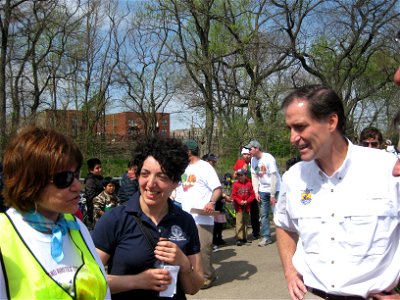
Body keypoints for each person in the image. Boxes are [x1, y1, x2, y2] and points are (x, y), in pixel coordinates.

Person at [274, 84, 400, 300]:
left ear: (331, 122)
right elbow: (284, 226)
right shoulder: (293, 179)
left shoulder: (388, 170)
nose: (293, 138)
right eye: (290, 129)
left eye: (300, 127)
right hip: (312, 295)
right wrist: (289, 270)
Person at [0, 125, 110, 299]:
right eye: (64, 178)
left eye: (76, 175)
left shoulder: (76, 226)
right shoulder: (3, 236)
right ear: (29, 182)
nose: (77, 186)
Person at [92, 136, 204, 299]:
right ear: (137, 175)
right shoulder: (114, 220)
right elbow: (91, 281)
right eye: (145, 174)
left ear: (175, 182)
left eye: (162, 176)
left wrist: (184, 264)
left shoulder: (185, 221)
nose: (151, 183)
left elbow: (194, 288)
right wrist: (138, 281)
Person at [174, 139, 222, 289]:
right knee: (187, 249)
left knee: (203, 249)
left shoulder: (205, 167)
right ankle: (193, 275)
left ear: (189, 151)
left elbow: (218, 189)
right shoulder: (183, 168)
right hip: (185, 216)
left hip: (202, 217)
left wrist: (211, 202)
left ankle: (208, 276)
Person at [246, 140, 281, 247]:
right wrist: (256, 191)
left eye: (250, 149)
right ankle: (266, 237)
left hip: (275, 189)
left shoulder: (268, 158)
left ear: (256, 148)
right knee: (264, 215)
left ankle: (284, 235)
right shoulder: (253, 160)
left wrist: (272, 194)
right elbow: (254, 176)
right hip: (262, 190)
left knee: (278, 213)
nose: (249, 151)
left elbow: (274, 176)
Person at [233, 147, 260, 239]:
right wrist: (242, 170)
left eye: (248, 154)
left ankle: (256, 232)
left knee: (254, 212)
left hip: (252, 190)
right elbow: (235, 175)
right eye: (245, 154)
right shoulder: (239, 162)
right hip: (242, 192)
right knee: (241, 215)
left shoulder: (254, 161)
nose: (247, 156)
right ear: (242, 155)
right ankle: (241, 235)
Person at [231, 168, 255, 246]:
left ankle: (245, 237)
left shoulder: (249, 184)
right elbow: (234, 195)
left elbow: (252, 195)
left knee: (245, 222)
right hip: (239, 207)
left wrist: (247, 201)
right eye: (238, 175)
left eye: (241, 175)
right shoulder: (236, 184)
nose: (240, 177)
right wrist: (239, 201)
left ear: (245, 175)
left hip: (247, 206)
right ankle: (239, 238)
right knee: (239, 222)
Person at [84, 158, 103, 227]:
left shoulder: (99, 178)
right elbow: (91, 196)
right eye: (97, 168)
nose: (100, 169)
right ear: (91, 170)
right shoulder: (90, 181)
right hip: (94, 211)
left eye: (100, 167)